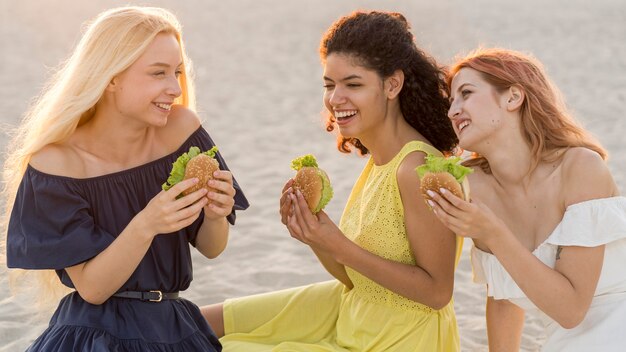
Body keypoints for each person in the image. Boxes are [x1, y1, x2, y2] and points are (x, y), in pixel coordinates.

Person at [201, 11, 463, 351]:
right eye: (329, 85)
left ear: (392, 84)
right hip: (361, 313)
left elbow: (437, 292)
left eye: (353, 84)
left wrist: (339, 245)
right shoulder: (381, 161)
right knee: (202, 322)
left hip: (400, 339)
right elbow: (358, 279)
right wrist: (314, 236)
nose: (335, 99)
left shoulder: (419, 170)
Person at [3, 6, 248, 351]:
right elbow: (93, 289)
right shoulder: (57, 165)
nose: (175, 89)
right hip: (94, 334)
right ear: (111, 77)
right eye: (158, 73)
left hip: (175, 325)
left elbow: (211, 247)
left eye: (177, 72)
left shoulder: (182, 130)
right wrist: (146, 224)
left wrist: (216, 213)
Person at [428, 48, 626, 351]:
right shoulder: (474, 187)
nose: (453, 111)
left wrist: (492, 232)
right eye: (451, 101)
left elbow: (571, 310)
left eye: (466, 93)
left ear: (512, 97)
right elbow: (504, 296)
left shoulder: (580, 168)